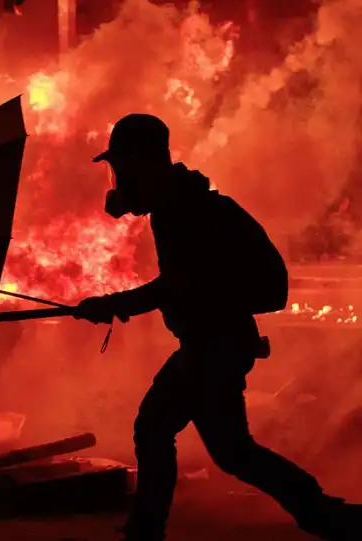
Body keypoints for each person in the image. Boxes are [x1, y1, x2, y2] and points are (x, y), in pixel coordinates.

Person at [74, 113, 361, 541]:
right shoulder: (176, 205)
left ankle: (146, 530)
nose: (119, 179)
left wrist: (114, 304)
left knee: (157, 428)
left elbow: (174, 286)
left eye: (123, 167)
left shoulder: (184, 213)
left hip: (213, 347)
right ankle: (324, 514)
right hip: (213, 344)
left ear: (142, 161)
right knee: (233, 452)